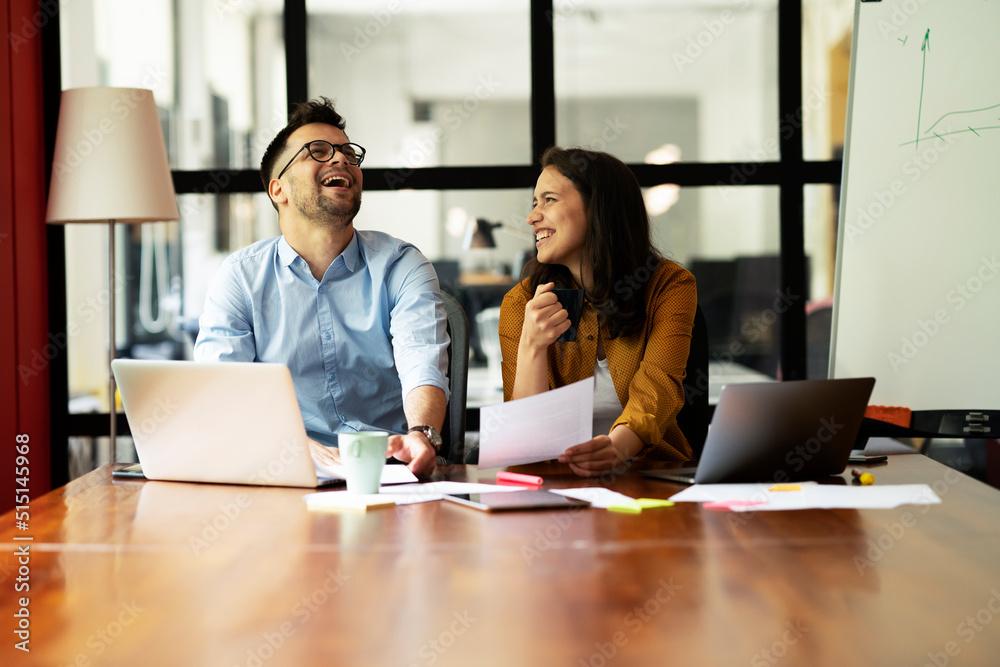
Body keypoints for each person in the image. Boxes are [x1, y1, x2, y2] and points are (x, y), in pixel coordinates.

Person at [194, 97, 448, 475]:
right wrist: (300, 450)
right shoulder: (240, 278)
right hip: (281, 471)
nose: (342, 159)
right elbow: (223, 394)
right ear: (278, 190)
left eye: (349, 153)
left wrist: (422, 433)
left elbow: (421, 361)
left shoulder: (401, 264)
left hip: (386, 472)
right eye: (318, 151)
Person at [498, 147, 696, 477]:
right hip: (556, 481)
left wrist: (617, 449)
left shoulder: (669, 285)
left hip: (648, 476)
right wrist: (532, 346)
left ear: (599, 208)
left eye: (548, 200)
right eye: (534, 203)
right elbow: (525, 440)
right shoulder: (522, 302)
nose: (532, 217)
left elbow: (658, 388)